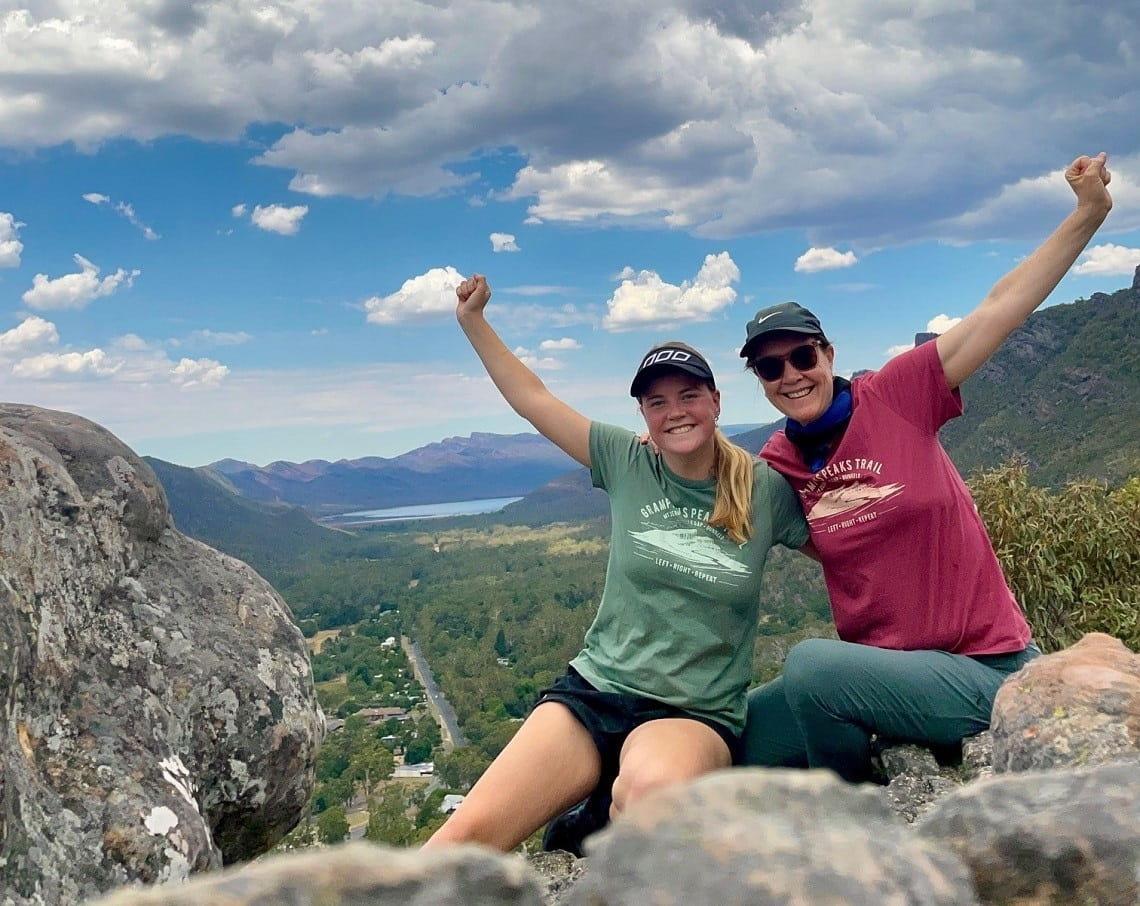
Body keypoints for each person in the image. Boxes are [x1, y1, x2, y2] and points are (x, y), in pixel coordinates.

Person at [737, 152, 1113, 783]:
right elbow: (715, 508)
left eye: (801, 355)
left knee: (809, 668)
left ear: (828, 353)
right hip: (890, 675)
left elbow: (999, 308)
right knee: (729, 730)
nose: (790, 375)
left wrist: (1088, 211)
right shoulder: (780, 462)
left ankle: (855, 816)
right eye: (770, 368)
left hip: (988, 671)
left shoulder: (897, 395)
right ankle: (590, 824)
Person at [423, 274, 810, 853]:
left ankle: (597, 819)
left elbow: (852, 550)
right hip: (596, 690)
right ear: (643, 413)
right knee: (464, 838)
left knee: (649, 795)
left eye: (688, 396)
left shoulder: (765, 490)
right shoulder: (626, 461)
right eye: (658, 401)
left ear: (716, 402)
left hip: (692, 713)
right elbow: (535, 401)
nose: (674, 412)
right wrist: (473, 323)